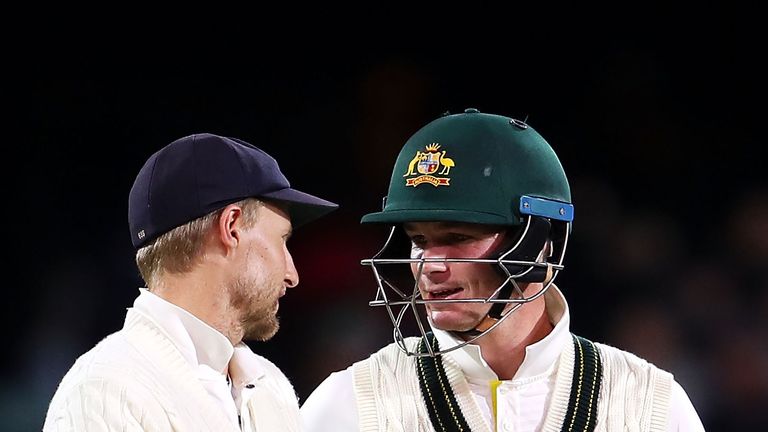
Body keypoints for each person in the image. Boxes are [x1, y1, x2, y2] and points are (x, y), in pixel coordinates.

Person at [301, 109, 705, 431]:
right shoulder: (352, 403)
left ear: (535, 242)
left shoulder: (649, 405)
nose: (431, 264)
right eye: (419, 240)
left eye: (457, 237)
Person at [44, 133, 337, 431]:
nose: (292, 274)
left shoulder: (270, 386)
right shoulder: (106, 391)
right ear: (232, 228)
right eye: (282, 240)